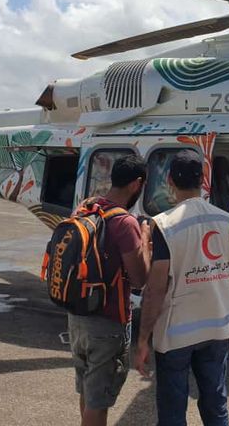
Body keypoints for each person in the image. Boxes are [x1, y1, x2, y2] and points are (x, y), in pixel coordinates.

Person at [134, 149, 229, 426]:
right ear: (202, 178)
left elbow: (156, 289)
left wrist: (143, 338)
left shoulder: (165, 225)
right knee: (215, 403)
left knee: (173, 409)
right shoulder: (226, 220)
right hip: (218, 325)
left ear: (170, 180)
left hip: (177, 332)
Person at [68, 154, 151, 426]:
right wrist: (145, 240)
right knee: (99, 401)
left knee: (88, 390)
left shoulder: (85, 208)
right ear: (136, 184)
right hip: (107, 321)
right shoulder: (125, 222)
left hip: (78, 316)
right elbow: (139, 279)